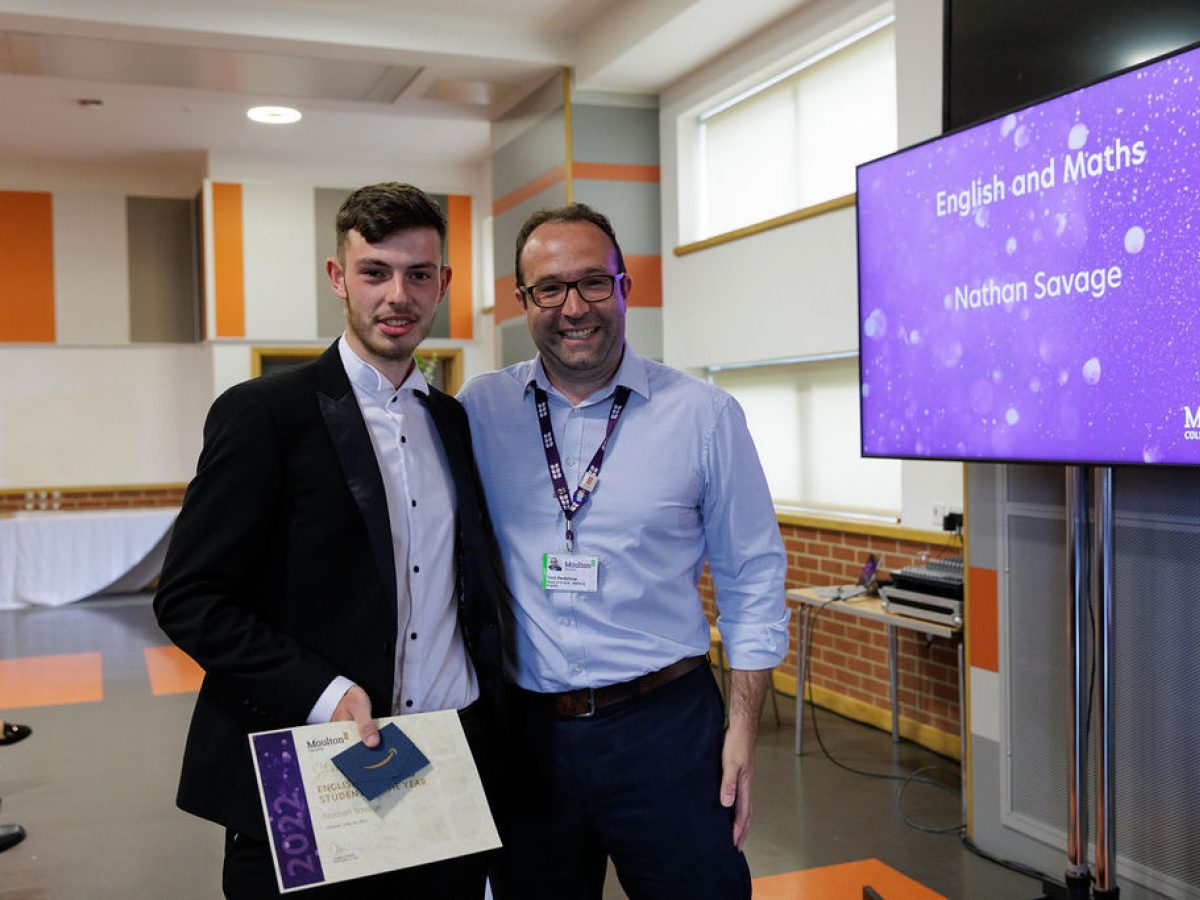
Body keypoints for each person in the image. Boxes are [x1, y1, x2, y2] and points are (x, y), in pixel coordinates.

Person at [154, 183, 508, 899]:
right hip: (312, 751)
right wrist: (326, 692)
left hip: (442, 756)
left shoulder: (454, 423)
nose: (396, 296)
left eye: (418, 274)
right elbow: (189, 598)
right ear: (338, 278)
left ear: (443, 283)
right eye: (375, 272)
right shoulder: (263, 415)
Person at [459, 203, 789, 899]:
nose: (572, 307)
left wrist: (742, 734)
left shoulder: (703, 416)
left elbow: (751, 576)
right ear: (522, 302)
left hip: (667, 731)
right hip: (528, 740)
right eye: (549, 288)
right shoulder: (478, 412)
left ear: (625, 288)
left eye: (592, 283)